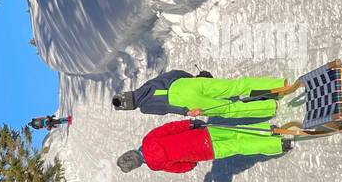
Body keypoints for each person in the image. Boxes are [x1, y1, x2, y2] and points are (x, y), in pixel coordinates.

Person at [116, 118, 290, 175]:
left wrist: (191, 163)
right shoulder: (149, 140)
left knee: (239, 146)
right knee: (236, 132)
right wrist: (190, 124)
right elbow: (171, 128)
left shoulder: (156, 165)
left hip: (205, 151)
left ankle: (279, 144)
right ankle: (269, 130)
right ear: (131, 151)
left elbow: (181, 168)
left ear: (137, 165)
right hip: (202, 134)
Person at [111, 69, 287, 119]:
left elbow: (165, 107)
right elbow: (172, 73)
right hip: (186, 84)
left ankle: (269, 106)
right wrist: (194, 78)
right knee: (234, 86)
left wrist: (187, 112)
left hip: (185, 100)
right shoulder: (147, 85)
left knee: (229, 109)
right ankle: (277, 86)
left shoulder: (145, 107)